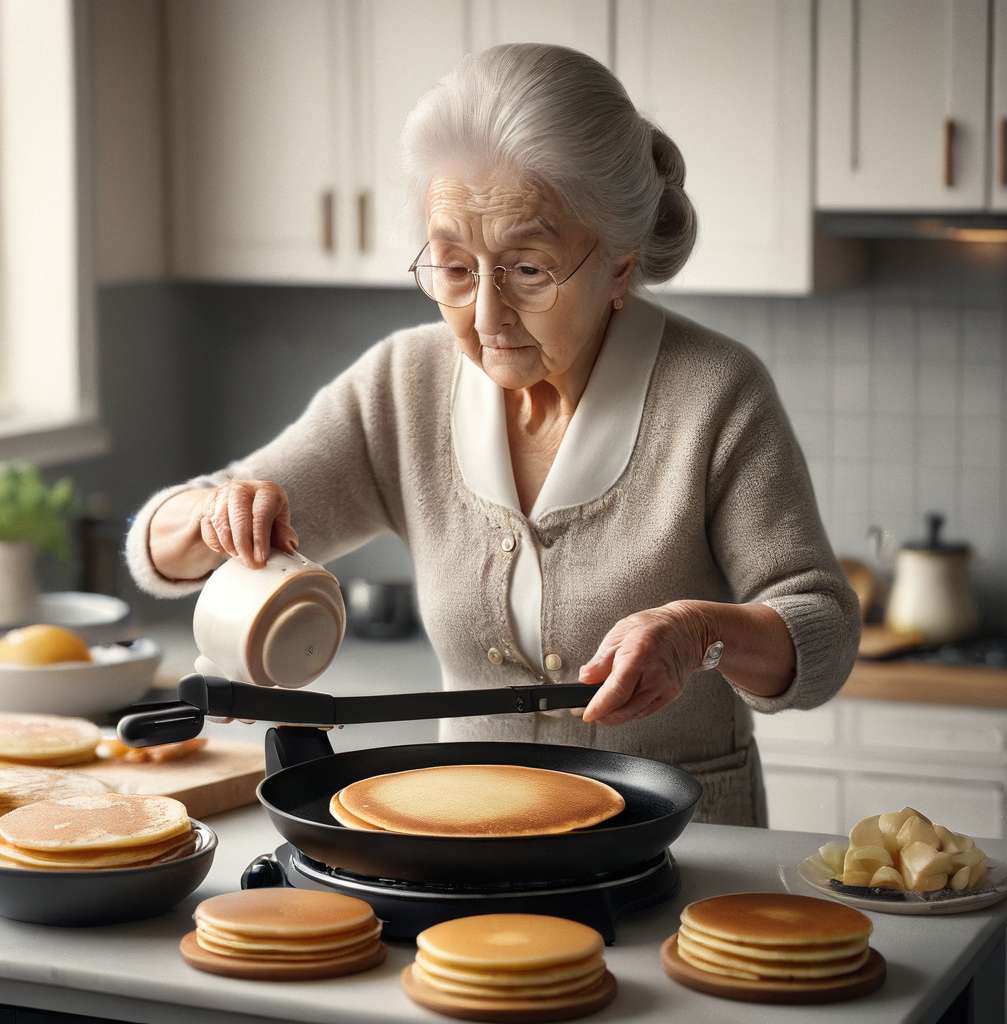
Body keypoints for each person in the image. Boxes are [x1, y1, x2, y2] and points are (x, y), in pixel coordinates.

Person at [125, 43, 860, 826]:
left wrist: (699, 631)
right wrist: (212, 518)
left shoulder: (713, 393)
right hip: (471, 844)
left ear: (619, 264)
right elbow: (164, 542)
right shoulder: (405, 384)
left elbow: (822, 632)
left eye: (528, 270)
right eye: (453, 267)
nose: (484, 318)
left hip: (681, 853)